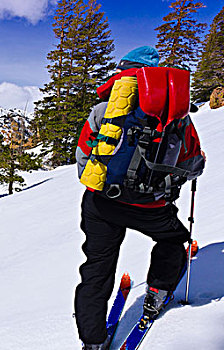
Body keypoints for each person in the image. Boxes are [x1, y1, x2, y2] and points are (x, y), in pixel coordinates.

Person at [73, 46, 205, 350]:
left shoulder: (103, 110)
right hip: (152, 205)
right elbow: (192, 163)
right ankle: (158, 292)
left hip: (102, 203)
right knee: (173, 240)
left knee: (96, 268)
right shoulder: (177, 116)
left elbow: (83, 159)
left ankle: (92, 341)